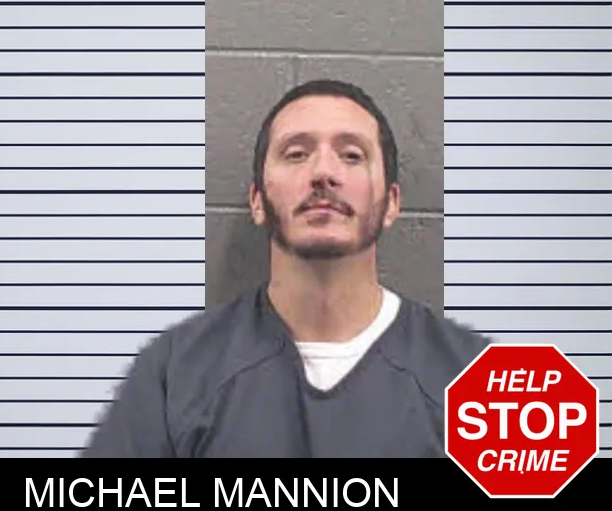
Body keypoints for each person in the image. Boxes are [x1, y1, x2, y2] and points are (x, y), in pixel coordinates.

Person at [82, 79, 489, 458]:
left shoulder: (480, 378)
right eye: (296, 154)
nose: (324, 173)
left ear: (392, 203)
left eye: (352, 155)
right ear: (257, 201)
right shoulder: (173, 374)